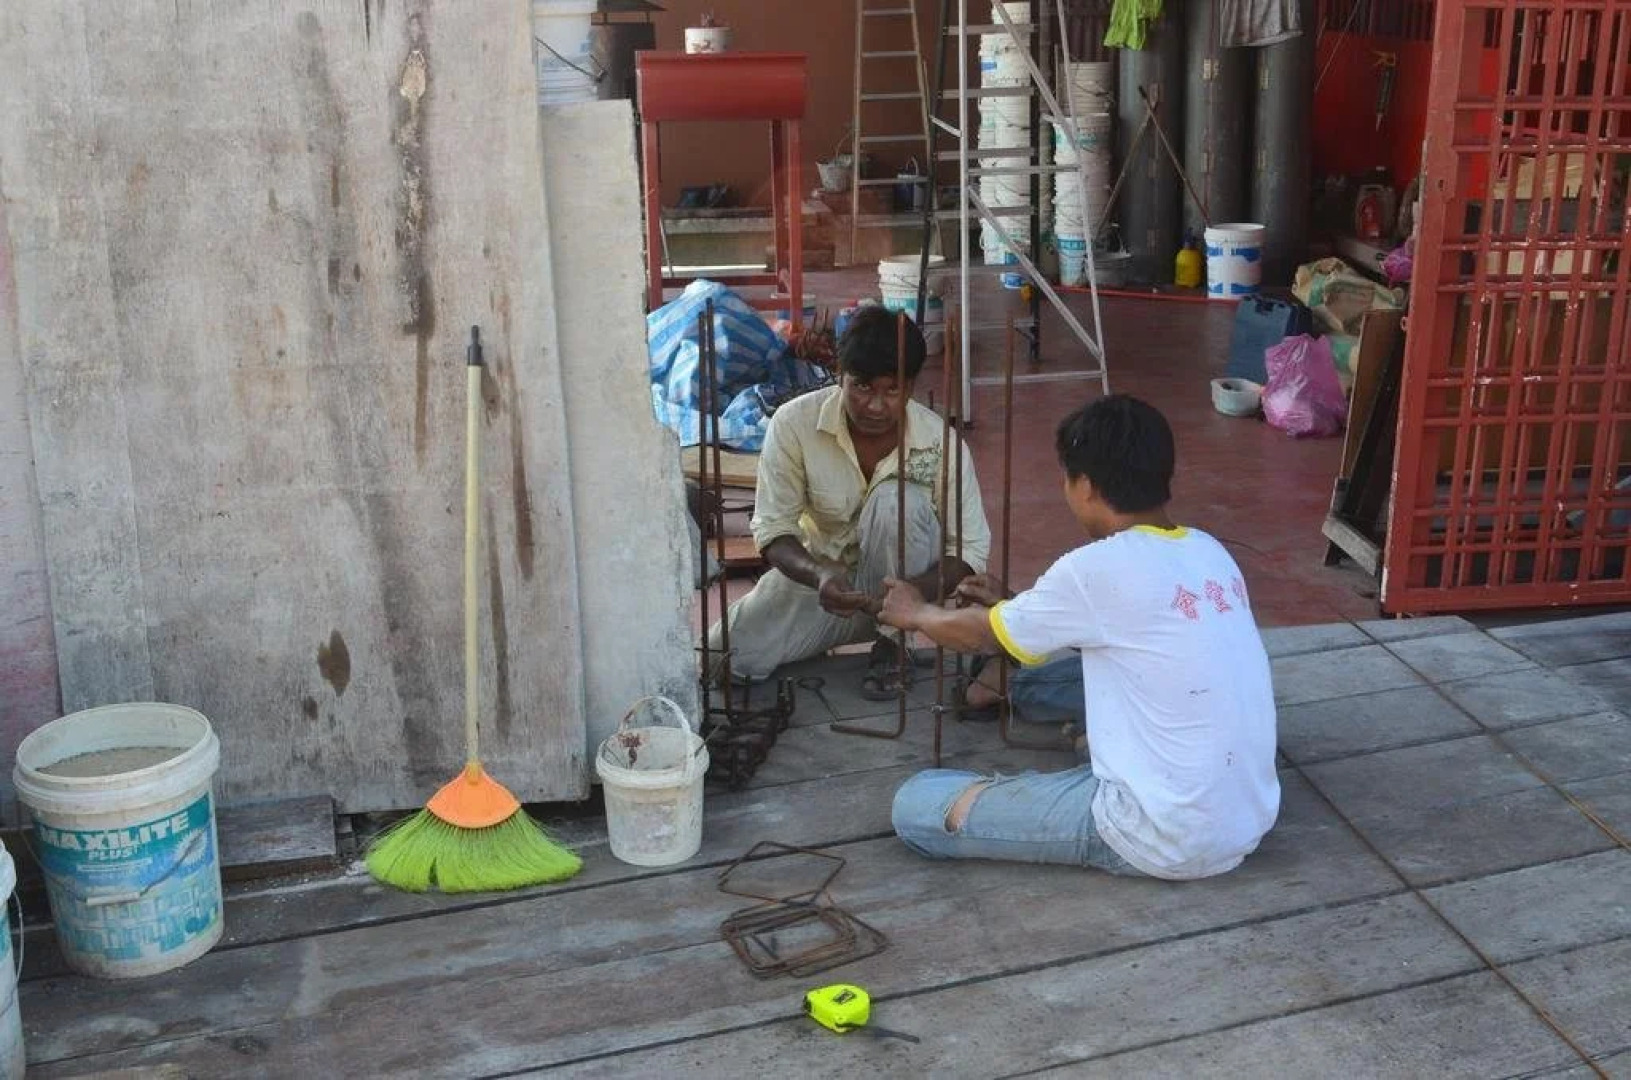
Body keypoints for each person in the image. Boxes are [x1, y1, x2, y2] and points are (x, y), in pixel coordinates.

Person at [877, 394, 1280, 880]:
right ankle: (1072, 746)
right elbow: (1119, 617)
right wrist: (1017, 604)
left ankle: (1062, 789)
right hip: (1246, 817)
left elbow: (982, 637)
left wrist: (916, 612)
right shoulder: (1208, 549)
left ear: (1085, 485)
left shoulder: (1095, 567)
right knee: (1050, 681)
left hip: (1159, 835)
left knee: (918, 804)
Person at [708, 306, 991, 696]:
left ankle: (894, 644)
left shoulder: (940, 442)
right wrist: (819, 573)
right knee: (720, 657)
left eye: (892, 390)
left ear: (910, 386)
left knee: (895, 502)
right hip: (824, 588)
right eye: (861, 387)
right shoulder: (793, 424)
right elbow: (773, 528)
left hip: (906, 602)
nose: (876, 406)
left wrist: (913, 597)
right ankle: (823, 636)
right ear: (839, 374)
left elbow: (970, 549)